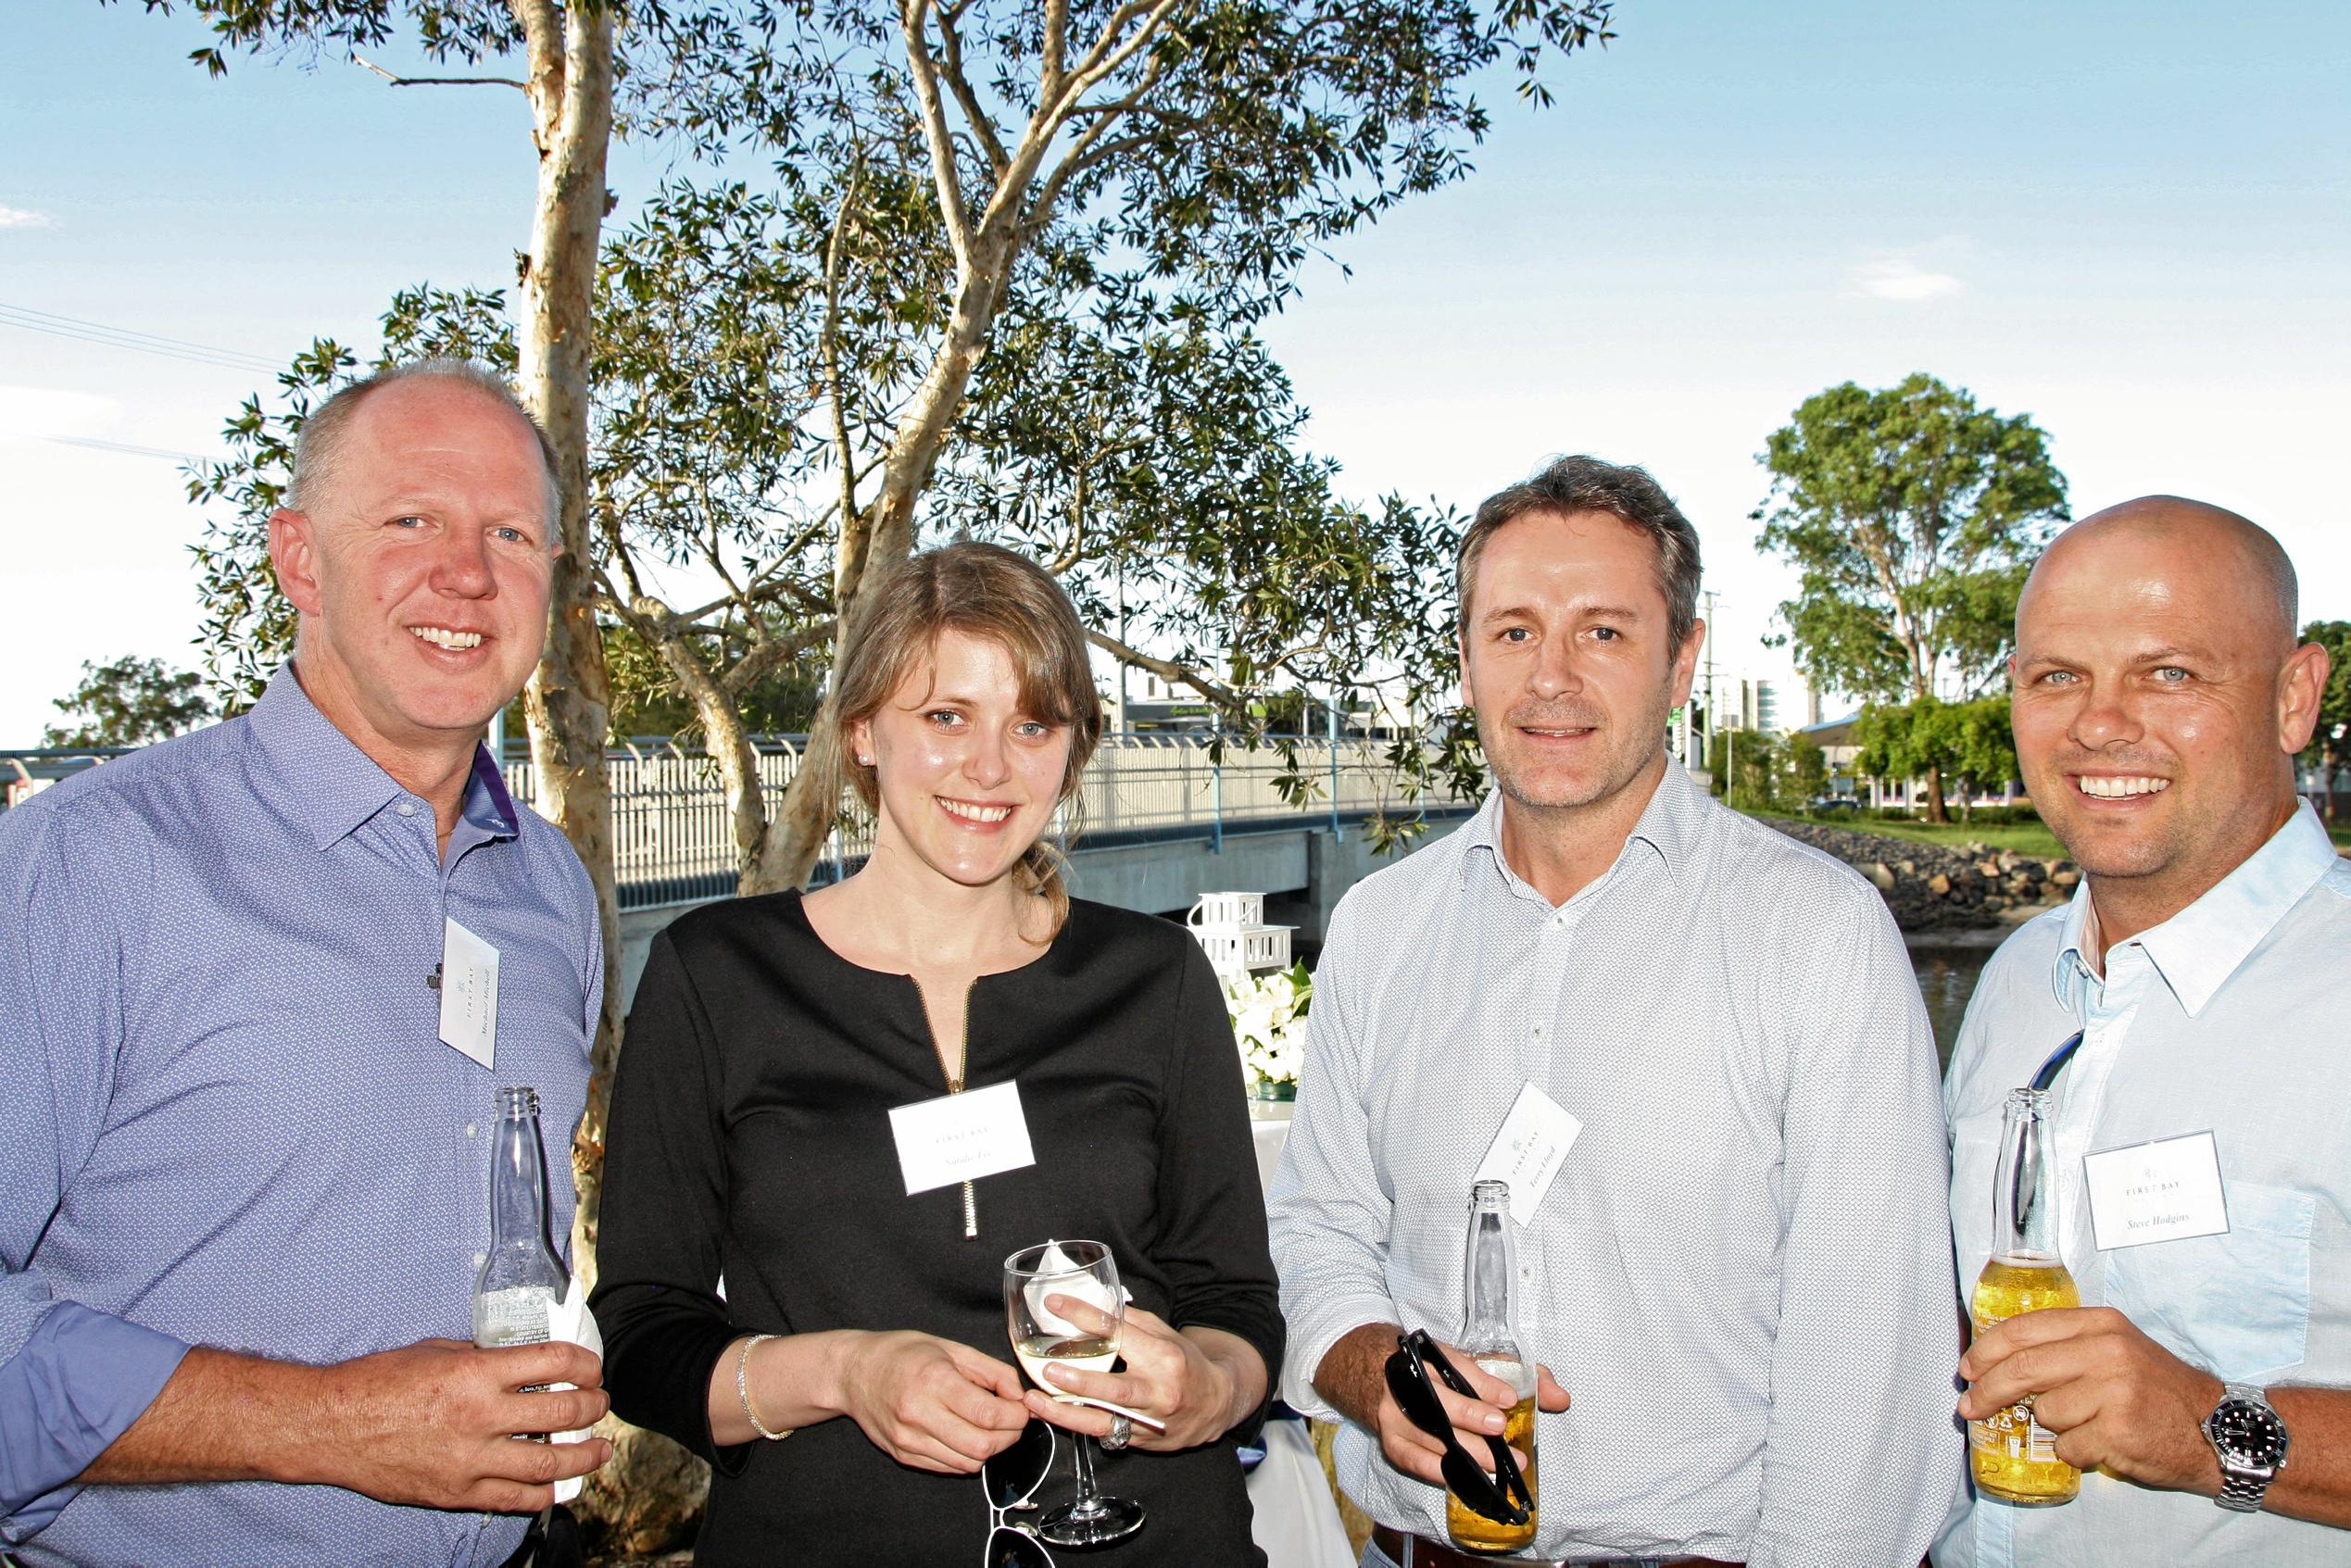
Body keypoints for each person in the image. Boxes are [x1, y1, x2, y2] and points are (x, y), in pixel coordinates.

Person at [1267, 455, 1962, 1567]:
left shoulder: (1817, 937)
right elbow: (1320, 1226)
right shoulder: (1379, 929)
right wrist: (1374, 1369)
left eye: (1602, 632)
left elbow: (1869, 1355)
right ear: (1464, 660)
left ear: (1683, 660)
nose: (1550, 678)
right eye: (1512, 632)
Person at [0, 359, 610, 1568]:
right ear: (298, 558)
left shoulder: (550, 894)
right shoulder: (87, 865)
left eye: (509, 532)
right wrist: (325, 1427)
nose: (467, 572)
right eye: (409, 520)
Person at [592, 540, 1282, 1565]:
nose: (990, 767)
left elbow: (1234, 1304)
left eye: (1032, 724)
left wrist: (1201, 1391)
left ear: (1072, 747)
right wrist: (846, 1371)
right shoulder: (718, 978)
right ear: (863, 726)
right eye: (946, 716)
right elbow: (647, 1339)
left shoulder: (1155, 979)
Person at [1939, 497, 2351, 1564]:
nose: (2099, 723)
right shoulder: (2019, 980)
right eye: (2056, 675)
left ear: (2294, 697)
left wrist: (2211, 1426)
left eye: (2169, 673)